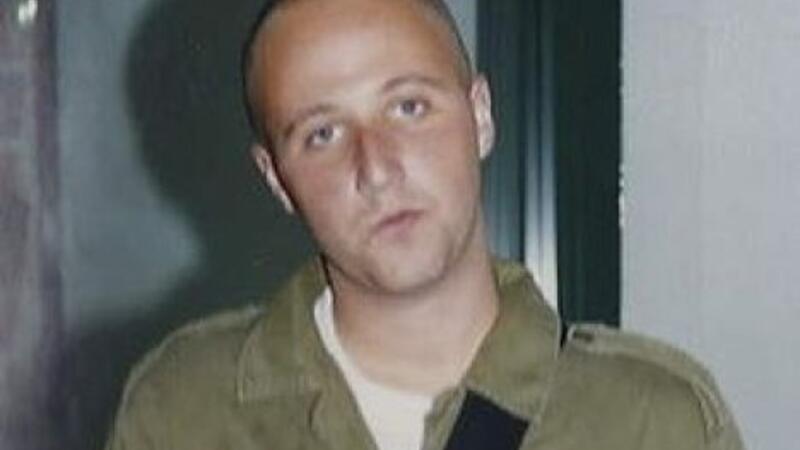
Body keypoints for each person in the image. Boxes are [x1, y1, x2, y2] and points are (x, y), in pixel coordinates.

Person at [105, 0, 745, 449]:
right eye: (323, 134)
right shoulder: (185, 410)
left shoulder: (652, 421)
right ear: (276, 179)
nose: (376, 168)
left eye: (409, 107)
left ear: (481, 116)